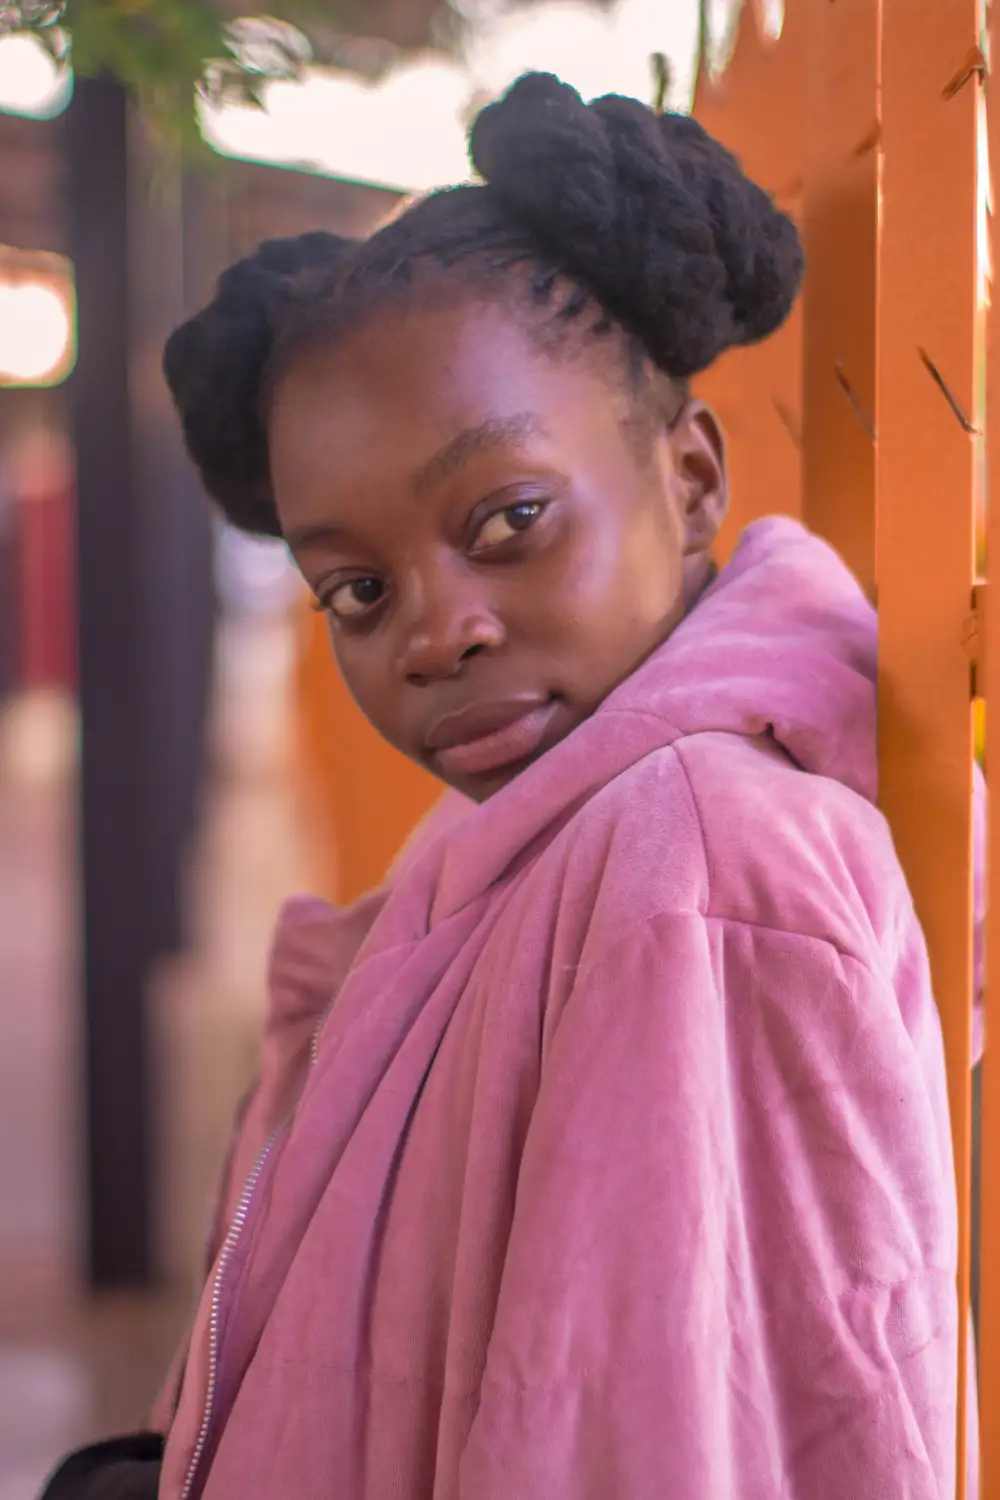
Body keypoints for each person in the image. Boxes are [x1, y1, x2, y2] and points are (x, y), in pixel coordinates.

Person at [43, 71, 975, 1500]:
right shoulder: (537, 836)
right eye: (355, 588)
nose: (436, 630)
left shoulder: (696, 866)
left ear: (691, 476)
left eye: (508, 521)